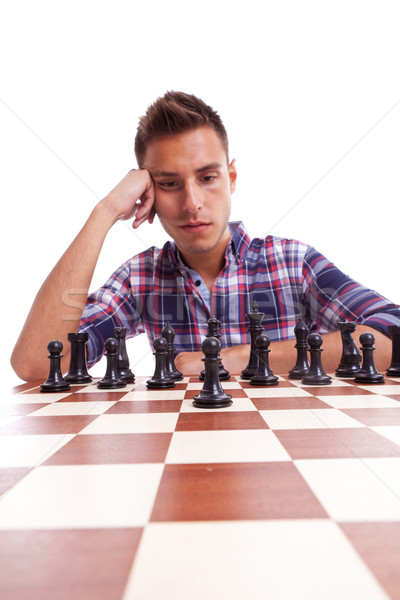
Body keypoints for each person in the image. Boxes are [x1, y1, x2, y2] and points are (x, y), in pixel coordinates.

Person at [11, 91, 400, 382]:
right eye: (169, 183)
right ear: (146, 191)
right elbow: (35, 363)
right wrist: (105, 212)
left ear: (231, 178)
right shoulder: (140, 278)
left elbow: (393, 333)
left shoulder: (292, 264)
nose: (192, 202)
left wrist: (235, 358)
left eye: (208, 177)